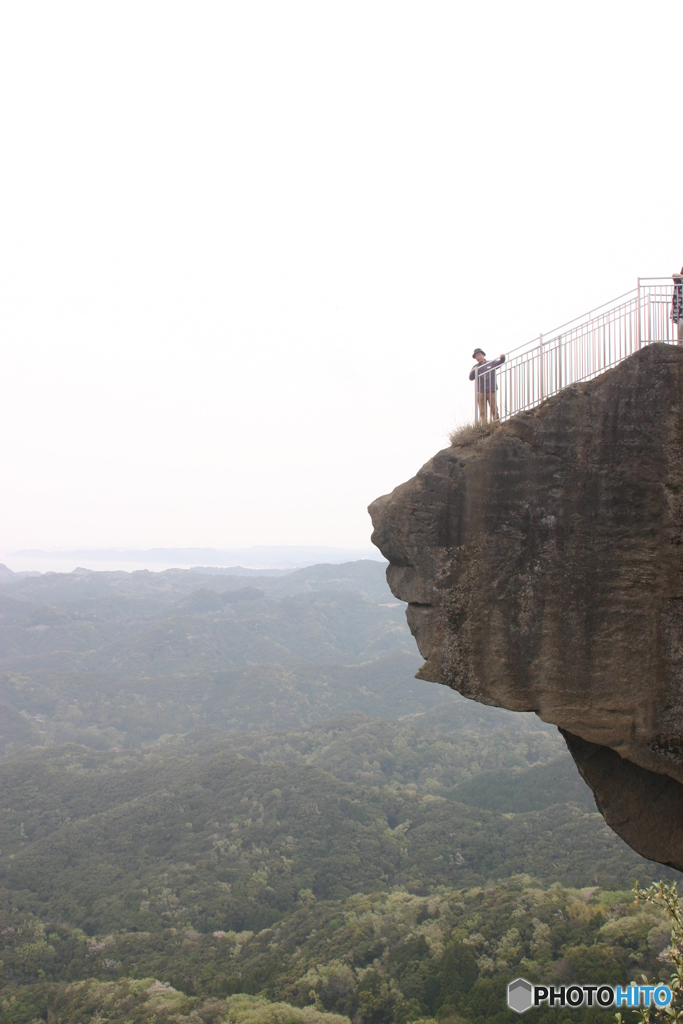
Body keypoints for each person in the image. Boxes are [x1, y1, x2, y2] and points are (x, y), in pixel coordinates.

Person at [469, 348, 506, 422]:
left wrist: (503, 358)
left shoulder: (491, 363)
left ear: (483, 355)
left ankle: (497, 424)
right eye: (476, 356)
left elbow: (500, 363)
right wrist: (473, 371)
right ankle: (484, 426)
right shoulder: (475, 367)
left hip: (491, 390)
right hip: (481, 391)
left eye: (479, 355)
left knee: (494, 408)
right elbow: (471, 378)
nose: (478, 357)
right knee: (482, 411)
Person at [672, 268, 683, 344]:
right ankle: (680, 345)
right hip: (680, 308)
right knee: (681, 325)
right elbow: (674, 275)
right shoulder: (679, 279)